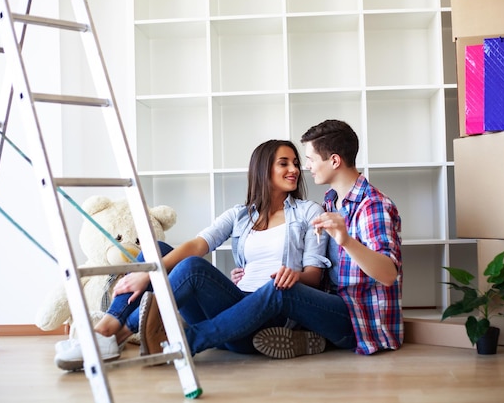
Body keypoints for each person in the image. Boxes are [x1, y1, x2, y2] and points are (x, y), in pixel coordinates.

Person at [54, 139, 330, 370]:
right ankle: (107, 329)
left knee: (193, 269)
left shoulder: (308, 212)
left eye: (296, 163)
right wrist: (149, 271)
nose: (294, 169)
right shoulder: (240, 215)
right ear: (263, 168)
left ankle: (112, 335)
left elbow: (314, 277)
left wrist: (292, 275)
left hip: (268, 312)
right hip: (234, 303)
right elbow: (198, 243)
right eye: (284, 163)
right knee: (158, 252)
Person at [139, 119, 403, 358]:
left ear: (333, 161)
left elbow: (389, 274)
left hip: (357, 318)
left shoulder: (370, 206)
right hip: (281, 303)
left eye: (307, 160)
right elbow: (199, 244)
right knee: (155, 252)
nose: (304, 167)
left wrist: (343, 241)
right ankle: (125, 325)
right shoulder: (332, 202)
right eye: (294, 162)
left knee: (208, 273)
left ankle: (178, 341)